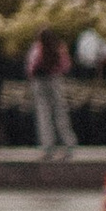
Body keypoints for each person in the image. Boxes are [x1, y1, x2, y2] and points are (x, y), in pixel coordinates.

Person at [25, 26, 76, 160]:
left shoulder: (36, 48)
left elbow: (30, 67)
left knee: (44, 116)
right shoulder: (59, 47)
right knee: (60, 113)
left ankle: (47, 148)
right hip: (55, 81)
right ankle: (68, 145)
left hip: (40, 83)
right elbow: (66, 66)